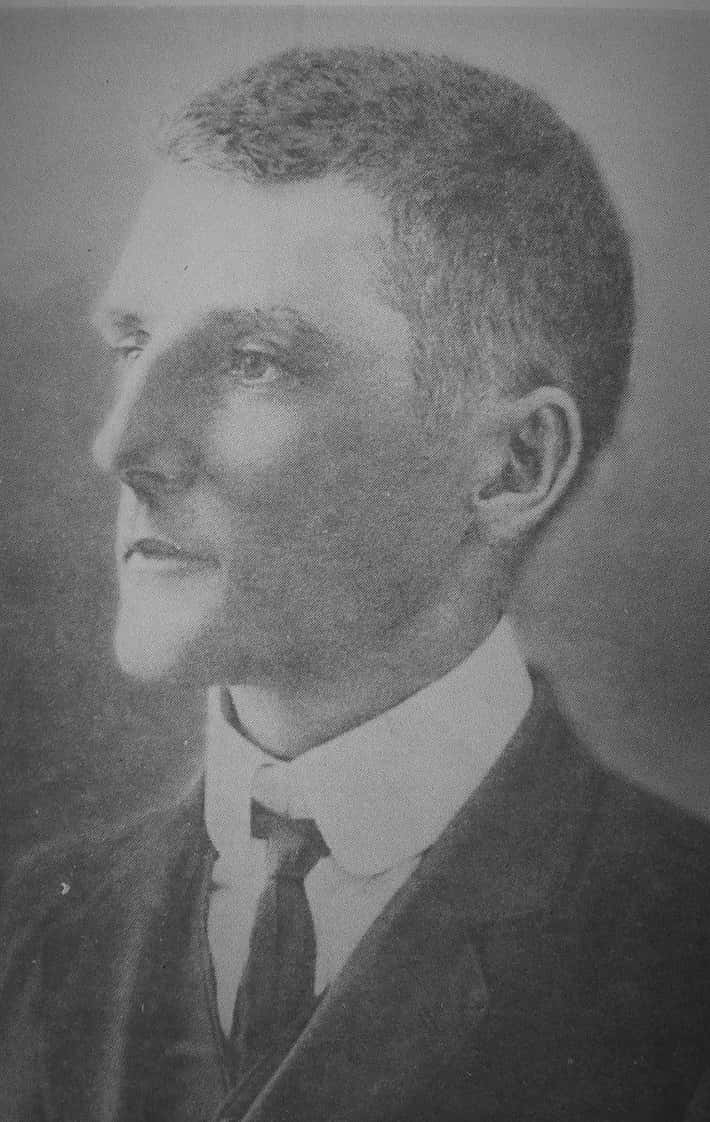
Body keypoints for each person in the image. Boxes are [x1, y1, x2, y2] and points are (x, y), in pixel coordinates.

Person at [1, 46, 709, 1122]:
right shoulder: (30, 928)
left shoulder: (678, 951)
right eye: (133, 342)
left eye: (253, 361)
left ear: (511, 466)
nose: (120, 444)